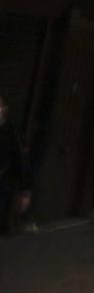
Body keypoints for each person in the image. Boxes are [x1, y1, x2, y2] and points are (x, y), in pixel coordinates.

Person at [0, 94, 32, 234]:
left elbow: (21, 160)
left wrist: (25, 191)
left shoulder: (13, 133)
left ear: (4, 109)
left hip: (4, 178)